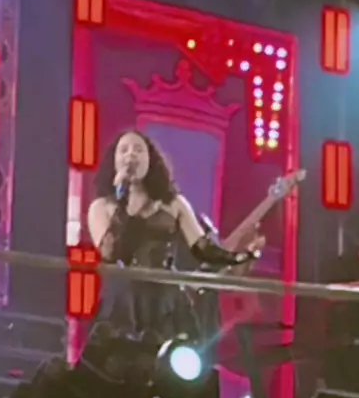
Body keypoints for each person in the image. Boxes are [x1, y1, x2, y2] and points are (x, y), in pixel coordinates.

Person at [87, 130, 262, 341]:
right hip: (123, 300)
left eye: (138, 149)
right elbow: (110, 252)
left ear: (150, 160)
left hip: (166, 300)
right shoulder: (101, 207)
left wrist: (237, 257)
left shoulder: (174, 204)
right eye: (123, 150)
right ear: (114, 162)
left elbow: (202, 248)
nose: (131, 155)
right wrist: (122, 197)